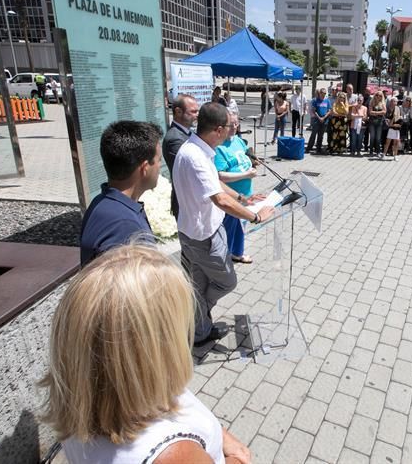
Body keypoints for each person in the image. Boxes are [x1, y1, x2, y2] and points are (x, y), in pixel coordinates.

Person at [42, 245, 252, 464]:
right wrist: (238, 458)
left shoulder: (81, 401)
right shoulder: (172, 454)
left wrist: (219, 433)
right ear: (149, 352)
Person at [173, 103, 275, 345]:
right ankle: (196, 318)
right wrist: (256, 216)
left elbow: (216, 186)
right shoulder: (196, 157)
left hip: (195, 232)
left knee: (199, 285)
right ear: (218, 130)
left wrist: (243, 198)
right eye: (229, 127)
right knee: (227, 281)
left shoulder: (198, 149)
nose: (233, 131)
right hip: (203, 235)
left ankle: (198, 330)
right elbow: (219, 200)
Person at [80, 121, 162, 266]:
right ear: (145, 168)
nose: (160, 166)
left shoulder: (102, 202)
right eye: (158, 160)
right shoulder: (125, 228)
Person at [215, 113, 260, 264]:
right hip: (232, 196)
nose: (234, 127)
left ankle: (236, 252)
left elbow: (247, 155)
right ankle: (227, 256)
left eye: (236, 123)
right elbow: (220, 176)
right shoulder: (219, 147)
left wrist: (253, 162)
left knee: (241, 226)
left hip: (246, 194)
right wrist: (246, 174)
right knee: (230, 228)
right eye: (231, 124)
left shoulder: (239, 141)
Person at [163, 95, 199, 217]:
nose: (197, 115)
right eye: (193, 111)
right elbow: (190, 170)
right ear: (178, 112)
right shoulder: (175, 138)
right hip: (186, 204)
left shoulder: (187, 133)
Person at [307, 87, 331, 154]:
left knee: (321, 135)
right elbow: (314, 110)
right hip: (316, 120)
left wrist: (324, 117)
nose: (324, 94)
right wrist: (319, 118)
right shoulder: (315, 100)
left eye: (325, 93)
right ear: (320, 93)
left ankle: (318, 148)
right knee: (313, 134)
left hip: (324, 120)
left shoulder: (327, 101)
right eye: (322, 93)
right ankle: (309, 147)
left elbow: (329, 110)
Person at [368, 91, 387, 155]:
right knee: (372, 137)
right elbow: (370, 112)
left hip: (379, 123)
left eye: (380, 96)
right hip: (372, 122)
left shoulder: (383, 103)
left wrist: (375, 113)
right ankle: (371, 151)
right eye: (377, 95)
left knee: (378, 137)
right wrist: (379, 113)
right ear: (375, 95)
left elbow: (384, 112)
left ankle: (378, 151)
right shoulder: (371, 102)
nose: (378, 97)